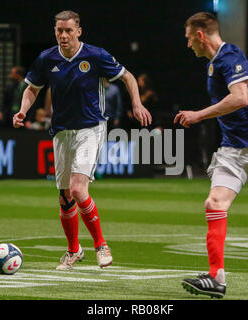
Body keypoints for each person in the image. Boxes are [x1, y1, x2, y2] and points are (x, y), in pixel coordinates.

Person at [13, 10, 152, 270]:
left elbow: (127, 76)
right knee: (65, 196)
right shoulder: (47, 58)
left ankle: (101, 245)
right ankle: (73, 250)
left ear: (79, 31)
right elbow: (32, 88)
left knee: (78, 189)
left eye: (68, 31)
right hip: (62, 131)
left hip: (91, 128)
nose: (63, 36)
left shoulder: (95, 55)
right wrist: (23, 110)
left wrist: (136, 103)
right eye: (59, 31)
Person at [174, 12, 248, 298]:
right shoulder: (214, 64)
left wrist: (199, 115)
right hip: (232, 149)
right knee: (214, 203)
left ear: (200, 35)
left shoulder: (230, 56)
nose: (189, 45)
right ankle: (217, 278)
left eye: (190, 39)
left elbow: (240, 98)